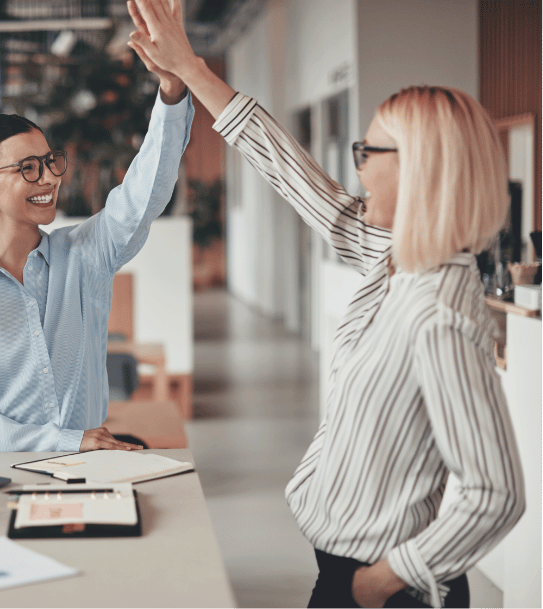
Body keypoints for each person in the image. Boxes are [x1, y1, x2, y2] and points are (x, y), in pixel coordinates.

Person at [126, 1, 525, 607]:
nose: (358, 169)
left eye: (370, 153)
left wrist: (389, 577)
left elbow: (496, 493)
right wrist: (192, 72)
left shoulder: (436, 310)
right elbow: (307, 187)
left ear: (422, 171)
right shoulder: (396, 259)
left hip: (387, 588)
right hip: (347, 571)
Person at [0, 60, 193, 453]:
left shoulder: (86, 255)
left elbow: (143, 194)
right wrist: (64, 441)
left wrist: (171, 92)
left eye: (50, 161)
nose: (49, 178)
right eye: (27, 169)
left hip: (83, 471)